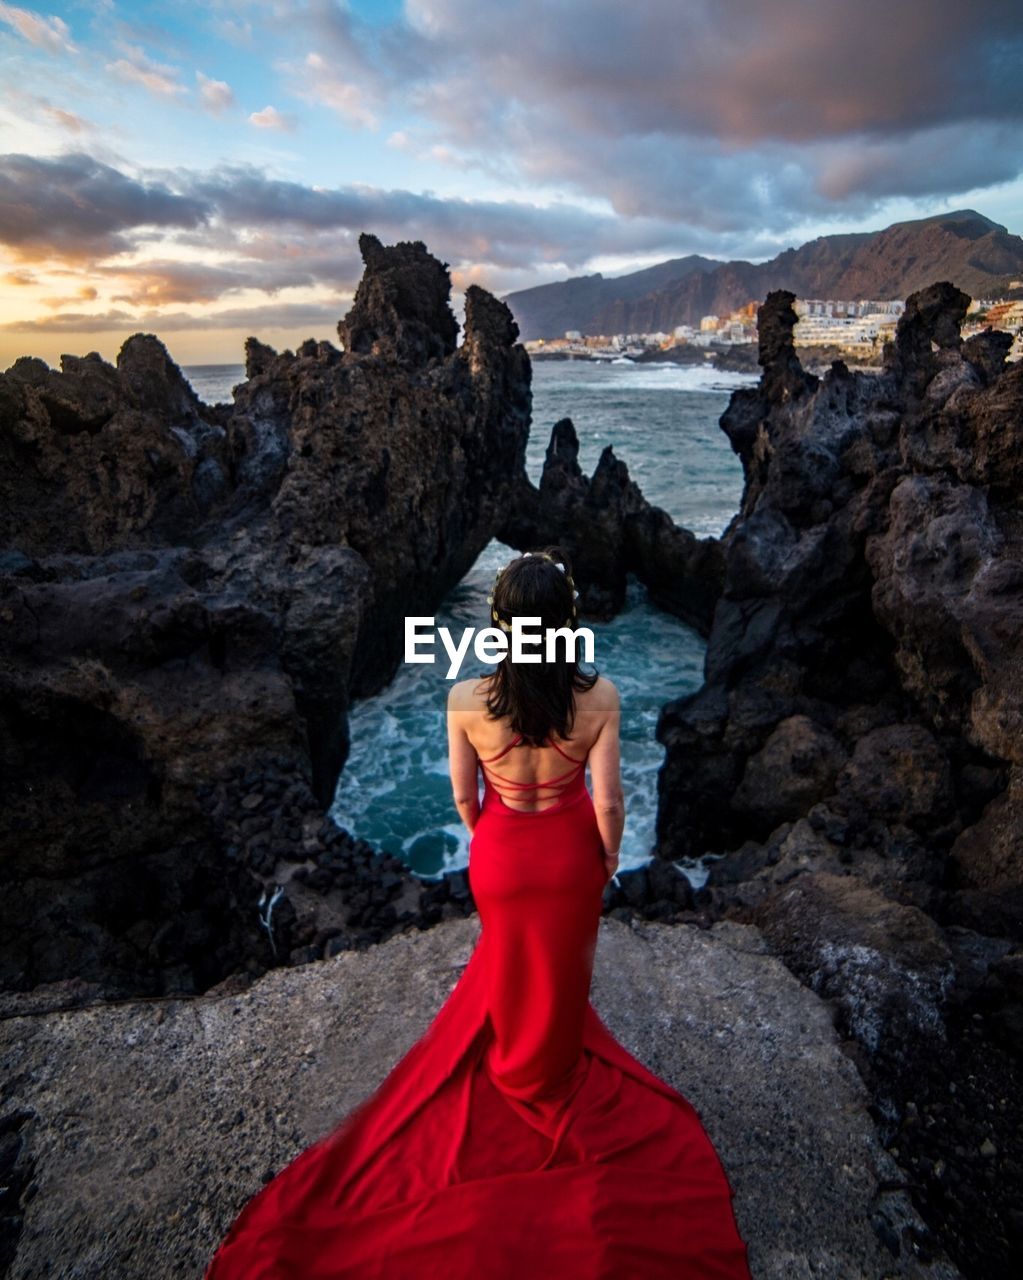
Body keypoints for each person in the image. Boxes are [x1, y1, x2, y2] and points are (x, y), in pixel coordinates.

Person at [204, 547, 752, 1279]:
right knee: (558, 963)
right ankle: (547, 1065)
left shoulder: (466, 698)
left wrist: (493, 840)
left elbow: (465, 799)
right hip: (566, 854)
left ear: (499, 627)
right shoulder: (600, 697)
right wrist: (607, 857)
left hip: (501, 855)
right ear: (565, 626)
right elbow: (611, 799)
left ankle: (511, 1054)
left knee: (510, 952)